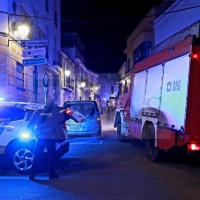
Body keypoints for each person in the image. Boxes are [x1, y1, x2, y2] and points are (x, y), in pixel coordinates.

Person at [28, 99, 71, 180]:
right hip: (51, 137)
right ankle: (51, 174)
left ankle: (32, 174)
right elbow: (66, 118)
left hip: (40, 137)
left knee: (37, 155)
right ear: (54, 104)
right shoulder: (58, 111)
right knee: (52, 155)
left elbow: (31, 123)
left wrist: (31, 131)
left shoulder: (39, 111)